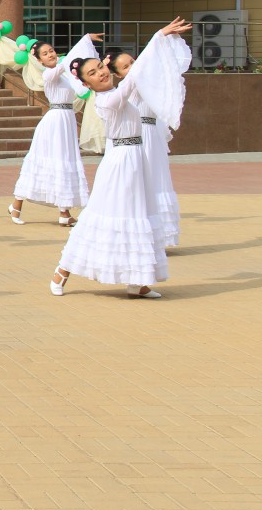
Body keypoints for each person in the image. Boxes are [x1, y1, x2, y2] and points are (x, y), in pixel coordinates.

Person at [50, 18, 192, 299]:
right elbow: (137, 73)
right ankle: (62, 271)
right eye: (94, 72)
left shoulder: (116, 92)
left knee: (137, 215)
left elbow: (147, 77)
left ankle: (137, 282)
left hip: (135, 159)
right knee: (104, 216)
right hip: (120, 164)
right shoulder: (106, 100)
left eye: (100, 67)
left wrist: (161, 43)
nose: (101, 73)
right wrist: (158, 35)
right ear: (86, 82)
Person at [8, 34, 102, 226]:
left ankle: (64, 213)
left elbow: (76, 77)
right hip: (55, 122)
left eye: (51, 51)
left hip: (66, 120)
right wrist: (84, 40)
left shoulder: (64, 74)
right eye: (45, 53)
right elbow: (65, 64)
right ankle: (16, 205)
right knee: (49, 162)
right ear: (38, 59)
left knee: (65, 162)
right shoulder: (49, 74)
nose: (50, 54)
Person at [109, 49, 186, 248]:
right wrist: (161, 35)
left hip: (153, 136)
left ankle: (158, 235)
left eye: (132, 62)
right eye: (126, 67)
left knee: (157, 181)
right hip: (138, 137)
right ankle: (137, 235)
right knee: (138, 184)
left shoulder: (149, 82)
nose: (133, 67)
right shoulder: (129, 85)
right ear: (118, 75)